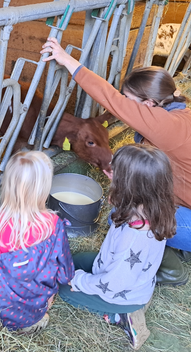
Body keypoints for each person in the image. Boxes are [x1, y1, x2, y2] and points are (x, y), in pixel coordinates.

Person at [41, 37, 191, 285]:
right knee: (134, 208)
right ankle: (182, 243)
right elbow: (158, 177)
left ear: (149, 104)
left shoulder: (167, 125)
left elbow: (112, 102)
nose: (127, 106)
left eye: (131, 101)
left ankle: (170, 270)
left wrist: (67, 60)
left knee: (124, 216)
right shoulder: (174, 114)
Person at [58, 144, 177, 350]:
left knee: (64, 289)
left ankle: (121, 315)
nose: (112, 176)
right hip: (129, 276)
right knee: (77, 258)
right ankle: (131, 301)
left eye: (117, 175)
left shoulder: (134, 238)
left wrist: (79, 281)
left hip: (121, 293)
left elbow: (113, 284)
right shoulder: (152, 208)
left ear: (130, 188)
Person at [0, 150, 74, 334]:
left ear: (8, 185)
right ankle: (35, 321)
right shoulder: (53, 226)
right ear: (43, 189)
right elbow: (65, 274)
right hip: (34, 310)